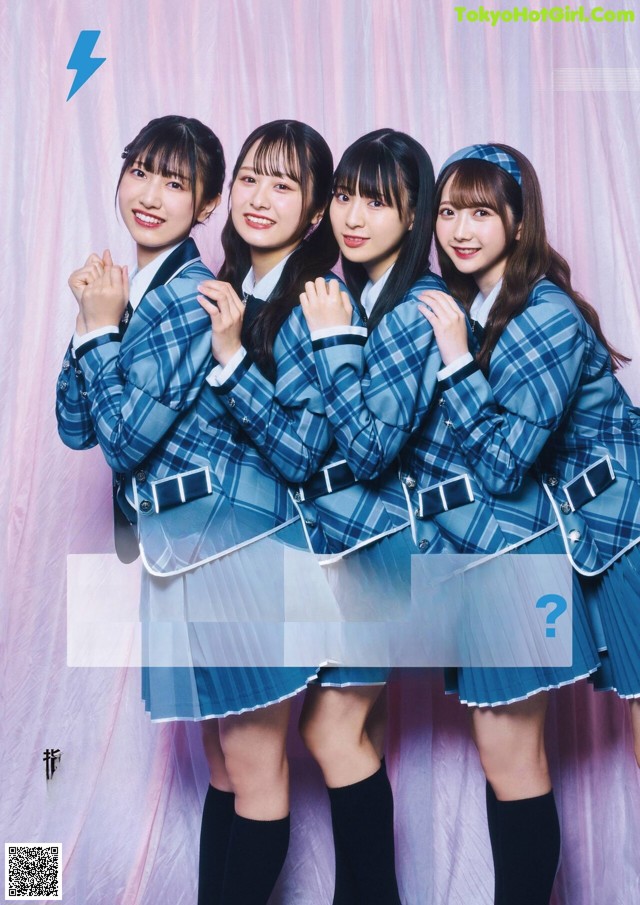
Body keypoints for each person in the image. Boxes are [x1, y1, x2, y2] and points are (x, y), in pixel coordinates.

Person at [55, 115, 318, 905]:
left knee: (255, 759)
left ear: (205, 205)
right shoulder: (126, 289)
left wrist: (101, 334)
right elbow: (74, 427)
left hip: (237, 546)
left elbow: (127, 438)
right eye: (143, 171)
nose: (152, 193)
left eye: (176, 182)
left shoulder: (189, 299)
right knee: (224, 757)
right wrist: (90, 326)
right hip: (186, 551)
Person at [199, 127, 446, 904]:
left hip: (380, 546)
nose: (355, 215)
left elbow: (362, 450)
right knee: (342, 735)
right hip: (337, 549)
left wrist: (329, 341)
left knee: (328, 733)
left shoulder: (408, 310)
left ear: (415, 218)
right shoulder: (342, 293)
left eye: (378, 201)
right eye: (347, 195)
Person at [411, 142, 638, 904]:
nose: (460, 228)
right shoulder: (475, 307)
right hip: (568, 540)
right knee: (507, 752)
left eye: (480, 211)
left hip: (626, 530)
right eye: (448, 211)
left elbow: (504, 462)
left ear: (518, 218)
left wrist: (454, 361)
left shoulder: (542, 313)